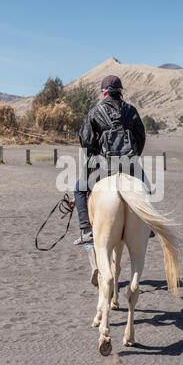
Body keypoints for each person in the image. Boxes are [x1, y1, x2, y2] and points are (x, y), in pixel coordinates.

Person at [73, 75, 146, 246]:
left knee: (79, 188)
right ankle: (147, 227)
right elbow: (141, 137)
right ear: (120, 91)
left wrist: (93, 155)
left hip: (103, 162)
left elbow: (86, 140)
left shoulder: (95, 111)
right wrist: (134, 155)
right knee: (147, 189)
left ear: (104, 92)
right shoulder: (131, 110)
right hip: (129, 162)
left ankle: (86, 229)